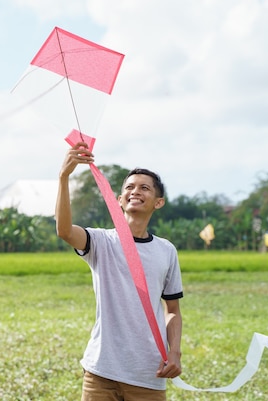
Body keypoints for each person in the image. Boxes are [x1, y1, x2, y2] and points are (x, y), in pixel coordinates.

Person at [56, 142, 183, 401]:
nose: (135, 191)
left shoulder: (166, 251)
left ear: (159, 202)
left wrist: (175, 352)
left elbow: (172, 310)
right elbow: (65, 231)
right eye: (129, 187)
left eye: (144, 188)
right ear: (119, 199)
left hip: (149, 374)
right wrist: (64, 176)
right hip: (101, 372)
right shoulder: (101, 242)